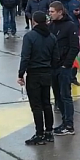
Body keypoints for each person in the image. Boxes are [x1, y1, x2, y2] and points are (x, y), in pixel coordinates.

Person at [19, 11, 56, 145]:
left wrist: (20, 73)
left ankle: (39, 133)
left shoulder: (29, 37)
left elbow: (25, 56)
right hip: (47, 72)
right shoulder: (51, 37)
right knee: (46, 103)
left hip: (34, 73)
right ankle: (49, 132)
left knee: (36, 105)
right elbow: (55, 57)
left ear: (34, 21)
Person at [48, 1, 80, 136]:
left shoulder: (70, 26)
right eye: (49, 12)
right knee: (57, 96)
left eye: (52, 12)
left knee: (65, 96)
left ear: (60, 12)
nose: (50, 14)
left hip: (64, 67)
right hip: (52, 67)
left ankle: (69, 124)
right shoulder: (50, 26)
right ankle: (63, 122)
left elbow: (75, 47)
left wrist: (66, 64)